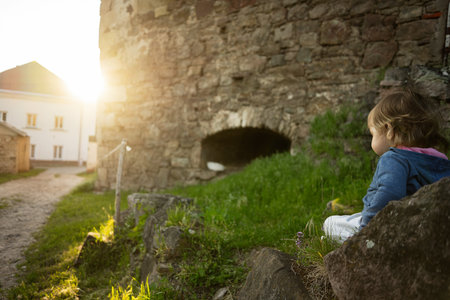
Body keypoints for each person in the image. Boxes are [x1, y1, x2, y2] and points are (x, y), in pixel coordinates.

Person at [323, 88, 450, 242]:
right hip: (428, 224)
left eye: (373, 134)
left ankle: (348, 241)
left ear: (389, 129)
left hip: (391, 225)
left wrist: (367, 231)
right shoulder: (441, 159)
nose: (372, 139)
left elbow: (388, 194)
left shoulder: (394, 158)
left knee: (330, 223)